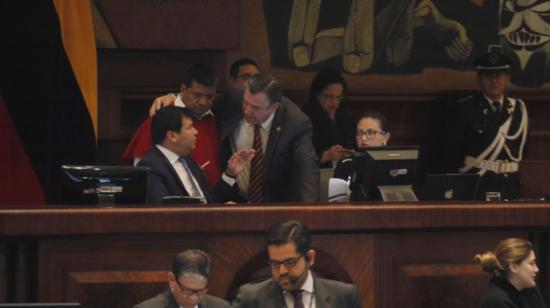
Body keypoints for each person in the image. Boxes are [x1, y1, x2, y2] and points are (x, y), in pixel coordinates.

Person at [219, 74, 319, 203]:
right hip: (234, 202)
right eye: (245, 102)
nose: (247, 111)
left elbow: (307, 174)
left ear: (274, 107)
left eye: (255, 108)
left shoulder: (295, 123)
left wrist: (308, 215)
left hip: (274, 205)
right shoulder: (232, 100)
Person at [123, 63, 223, 188]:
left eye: (210, 96)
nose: (203, 102)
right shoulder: (161, 119)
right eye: (196, 95)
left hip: (214, 198)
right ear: (183, 89)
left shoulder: (215, 117)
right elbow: (141, 171)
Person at [447, 52, 528, 201]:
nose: (494, 80)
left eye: (499, 75)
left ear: (507, 79)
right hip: (478, 182)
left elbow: (523, 150)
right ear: (479, 80)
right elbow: (454, 151)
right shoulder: (465, 108)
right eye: (488, 76)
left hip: (509, 184)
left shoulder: (519, 109)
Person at [137, 106, 253, 204]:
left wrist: (230, 174)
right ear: (172, 136)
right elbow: (163, 211)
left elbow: (209, 201)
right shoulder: (151, 166)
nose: (195, 132)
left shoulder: (187, 160)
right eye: (189, 127)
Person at [232, 220, 362, 307]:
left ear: (310, 258)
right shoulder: (251, 298)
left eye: (290, 262)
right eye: (275, 263)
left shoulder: (343, 296)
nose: (282, 271)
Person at [134, 249, 230, 308]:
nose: (194, 298)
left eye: (200, 292)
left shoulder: (222, 306)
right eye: (187, 291)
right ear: (171, 279)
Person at [330, 111, 391, 201]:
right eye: (359, 133)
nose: (363, 138)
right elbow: (336, 204)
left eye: (370, 133)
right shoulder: (345, 164)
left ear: (386, 137)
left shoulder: (394, 164)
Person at [302, 69, 356, 168]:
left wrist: (351, 153)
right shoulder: (304, 118)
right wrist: (326, 156)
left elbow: (353, 144)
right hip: (316, 175)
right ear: (316, 94)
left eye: (338, 97)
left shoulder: (347, 117)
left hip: (344, 171)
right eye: (328, 96)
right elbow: (299, 157)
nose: (334, 102)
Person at [474, 238, 547, 308]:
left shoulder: (530, 290)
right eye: (531, 263)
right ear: (514, 267)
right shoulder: (495, 302)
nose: (537, 269)